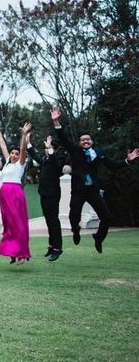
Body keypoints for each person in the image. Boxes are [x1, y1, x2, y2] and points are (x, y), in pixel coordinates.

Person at [51, 107, 139, 253]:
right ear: (79, 143)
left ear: (92, 141)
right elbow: (63, 138)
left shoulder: (99, 153)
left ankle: (98, 238)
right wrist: (56, 121)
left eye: (88, 139)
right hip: (78, 191)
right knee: (74, 217)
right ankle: (76, 230)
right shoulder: (75, 151)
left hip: (93, 190)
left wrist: (127, 160)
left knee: (106, 217)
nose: (85, 141)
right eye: (83, 140)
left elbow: (112, 165)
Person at [0, 123, 32, 264]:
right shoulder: (7, 164)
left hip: (15, 193)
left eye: (16, 154)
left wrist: (23, 135)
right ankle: (13, 251)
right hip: (4, 193)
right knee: (9, 223)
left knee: (18, 223)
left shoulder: (20, 164)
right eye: (12, 153)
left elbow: (22, 149)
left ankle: (22, 253)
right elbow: (3, 146)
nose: (14, 155)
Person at [27, 134, 64, 261]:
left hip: (52, 194)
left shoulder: (57, 158)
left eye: (48, 147)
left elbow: (58, 165)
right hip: (44, 193)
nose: (45, 149)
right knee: (48, 221)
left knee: (53, 221)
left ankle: (58, 248)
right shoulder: (45, 160)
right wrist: (28, 142)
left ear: (53, 148)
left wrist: (51, 150)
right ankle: (51, 245)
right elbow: (35, 155)